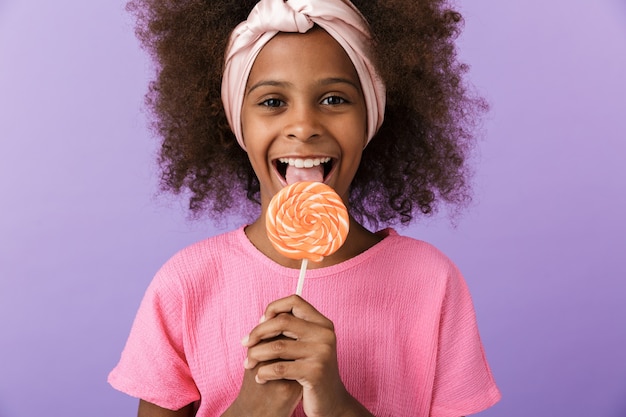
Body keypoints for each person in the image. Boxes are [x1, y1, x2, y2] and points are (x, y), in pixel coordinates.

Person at [108, 0, 501, 416]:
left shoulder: (432, 283)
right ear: (236, 122)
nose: (304, 126)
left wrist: (335, 404)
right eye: (273, 102)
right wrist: (254, 407)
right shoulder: (185, 285)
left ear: (371, 117)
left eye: (333, 99)